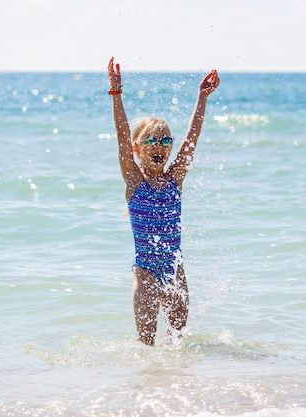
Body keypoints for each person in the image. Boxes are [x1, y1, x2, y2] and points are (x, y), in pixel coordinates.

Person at [107, 57, 220, 346]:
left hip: (174, 271)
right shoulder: (134, 182)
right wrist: (116, 93)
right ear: (137, 148)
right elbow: (121, 134)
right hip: (144, 272)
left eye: (166, 141)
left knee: (178, 344)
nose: (161, 147)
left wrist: (202, 97)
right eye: (153, 141)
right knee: (146, 345)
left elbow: (192, 138)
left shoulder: (175, 180)